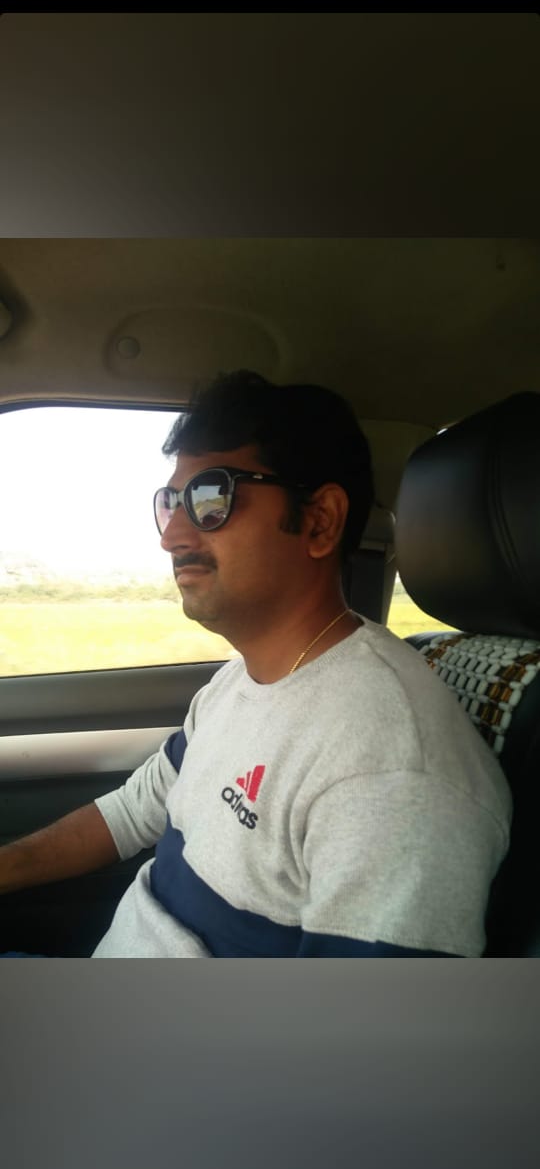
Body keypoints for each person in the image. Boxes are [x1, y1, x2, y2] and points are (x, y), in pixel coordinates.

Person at [0, 370, 511, 957]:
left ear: (319, 521)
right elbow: (132, 813)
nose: (172, 535)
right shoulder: (237, 682)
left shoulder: (393, 773)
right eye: (170, 502)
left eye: (210, 498)